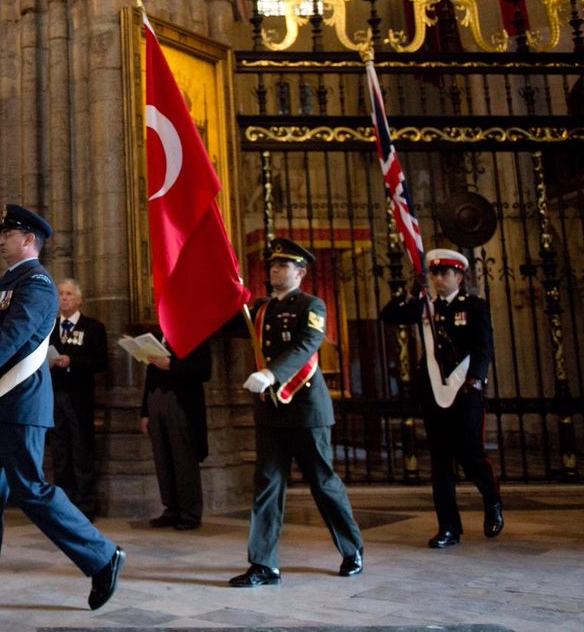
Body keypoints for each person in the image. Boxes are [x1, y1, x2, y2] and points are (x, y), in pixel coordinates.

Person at [0, 204, 125, 614]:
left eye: (8, 234)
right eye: (1, 234)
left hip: (19, 402)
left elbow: (13, 335)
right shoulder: (8, 283)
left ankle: (102, 556)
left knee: (31, 489)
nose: (0, 240)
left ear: (29, 240)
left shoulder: (37, 284)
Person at [229, 237, 364, 587]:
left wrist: (271, 374)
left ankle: (352, 550)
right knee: (268, 485)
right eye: (272, 265)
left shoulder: (312, 305)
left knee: (323, 482)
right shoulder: (259, 309)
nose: (275, 269)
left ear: (300, 271)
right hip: (272, 412)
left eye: (283, 265)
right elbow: (226, 327)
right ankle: (264, 564)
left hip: (306, 408)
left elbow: (307, 344)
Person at [380, 248, 502, 548]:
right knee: (441, 461)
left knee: (471, 454)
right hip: (434, 392)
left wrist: (475, 379)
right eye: (433, 273)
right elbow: (389, 315)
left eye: (443, 273)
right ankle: (448, 527)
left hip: (465, 391)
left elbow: (484, 346)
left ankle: (492, 501)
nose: (437, 278)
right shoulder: (425, 307)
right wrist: (410, 292)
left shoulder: (473, 306)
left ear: (459, 276)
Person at [49, 278, 107, 520]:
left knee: (82, 451)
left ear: (79, 299)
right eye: (61, 293)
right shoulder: (50, 327)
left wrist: (72, 361)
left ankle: (85, 504)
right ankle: (63, 503)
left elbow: (100, 361)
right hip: (55, 395)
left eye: (69, 294)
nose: (64, 298)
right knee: (59, 451)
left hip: (79, 398)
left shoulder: (93, 327)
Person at [140, 338, 210, 531]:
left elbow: (204, 371)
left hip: (182, 401)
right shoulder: (158, 336)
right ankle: (171, 509)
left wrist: (172, 365)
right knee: (163, 458)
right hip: (157, 398)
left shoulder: (196, 335)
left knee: (183, 458)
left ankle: (190, 512)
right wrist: (145, 412)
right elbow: (150, 374)